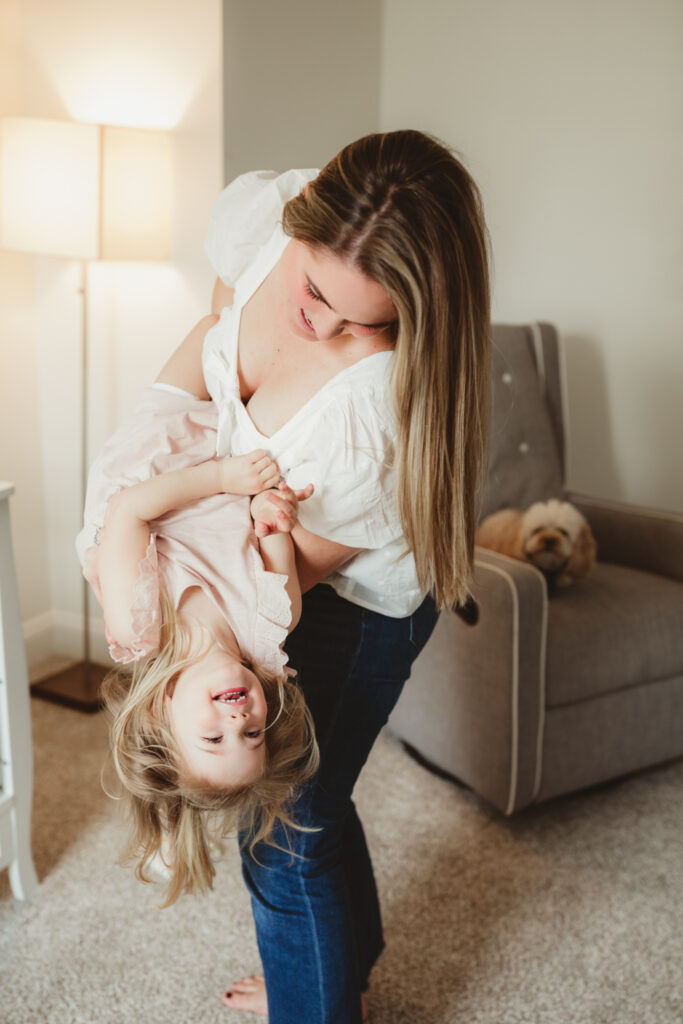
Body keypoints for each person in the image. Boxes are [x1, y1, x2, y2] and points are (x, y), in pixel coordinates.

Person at [159, 129, 491, 1022]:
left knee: (282, 827)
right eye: (312, 291)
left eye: (364, 320)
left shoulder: (375, 418)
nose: (321, 325)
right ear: (298, 221)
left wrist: (159, 557)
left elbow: (277, 582)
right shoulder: (262, 216)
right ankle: (337, 969)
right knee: (316, 804)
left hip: (348, 602)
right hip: (257, 545)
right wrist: (144, 452)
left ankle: (318, 999)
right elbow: (210, 340)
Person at [76, 382, 317, 908]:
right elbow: (269, 526)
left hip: (160, 445)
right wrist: (273, 512)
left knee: (212, 317)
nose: (238, 725)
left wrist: (221, 477)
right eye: (254, 734)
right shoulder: (275, 621)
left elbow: (130, 512)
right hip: (233, 449)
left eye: (213, 741)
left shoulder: (138, 624)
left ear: (164, 712)